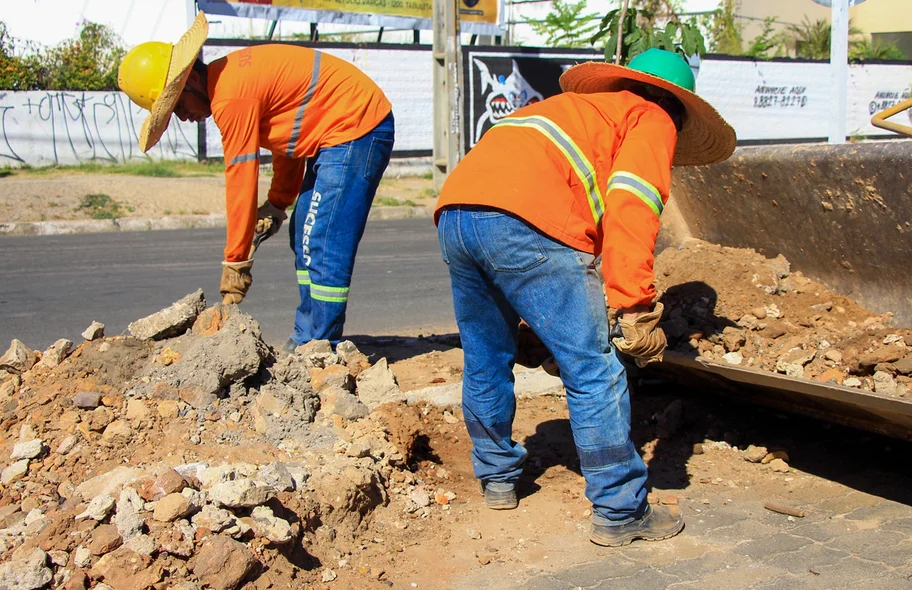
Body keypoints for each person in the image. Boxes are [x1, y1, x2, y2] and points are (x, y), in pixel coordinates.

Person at [434, 48, 735, 547]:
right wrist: (635, 305)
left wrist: (541, 321)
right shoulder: (653, 116)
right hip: (525, 222)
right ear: (676, 107)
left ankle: (496, 478)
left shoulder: (568, 112)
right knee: (594, 370)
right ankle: (620, 511)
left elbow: (553, 208)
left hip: (458, 214)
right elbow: (632, 206)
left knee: (486, 356)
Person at [117, 12, 395, 350]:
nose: (184, 117)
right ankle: (307, 337)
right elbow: (289, 140)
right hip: (338, 133)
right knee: (302, 234)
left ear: (188, 82)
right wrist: (278, 203)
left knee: (320, 239)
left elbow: (241, 175)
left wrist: (236, 260)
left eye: (176, 107)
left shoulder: (230, 96)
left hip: (356, 127)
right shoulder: (229, 77)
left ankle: (322, 345)